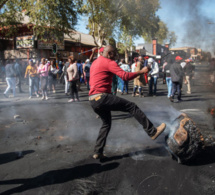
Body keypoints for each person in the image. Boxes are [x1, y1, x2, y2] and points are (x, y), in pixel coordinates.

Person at [89, 45, 166, 159]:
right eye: (115, 53)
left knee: (106, 124)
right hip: (102, 97)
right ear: (109, 53)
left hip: (92, 99)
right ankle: (152, 131)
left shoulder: (95, 62)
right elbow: (124, 76)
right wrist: (142, 71)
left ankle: (98, 151)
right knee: (131, 106)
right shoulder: (109, 62)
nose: (116, 56)